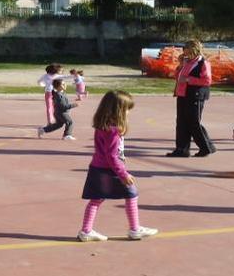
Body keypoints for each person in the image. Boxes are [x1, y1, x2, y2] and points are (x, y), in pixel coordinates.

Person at [78, 90, 158, 242]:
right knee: (132, 194)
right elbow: (112, 156)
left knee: (96, 199)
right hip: (110, 171)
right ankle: (135, 229)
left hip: (98, 168)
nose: (129, 113)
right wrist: (123, 174)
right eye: (127, 109)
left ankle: (86, 231)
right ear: (119, 110)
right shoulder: (113, 131)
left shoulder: (103, 126)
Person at [166, 40, 215, 157]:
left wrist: (189, 80)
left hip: (195, 96)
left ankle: (206, 147)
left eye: (186, 48)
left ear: (193, 49)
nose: (184, 51)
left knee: (194, 122)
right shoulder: (187, 62)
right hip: (183, 95)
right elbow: (178, 77)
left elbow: (207, 80)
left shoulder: (202, 63)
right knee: (181, 123)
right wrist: (180, 66)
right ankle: (182, 149)